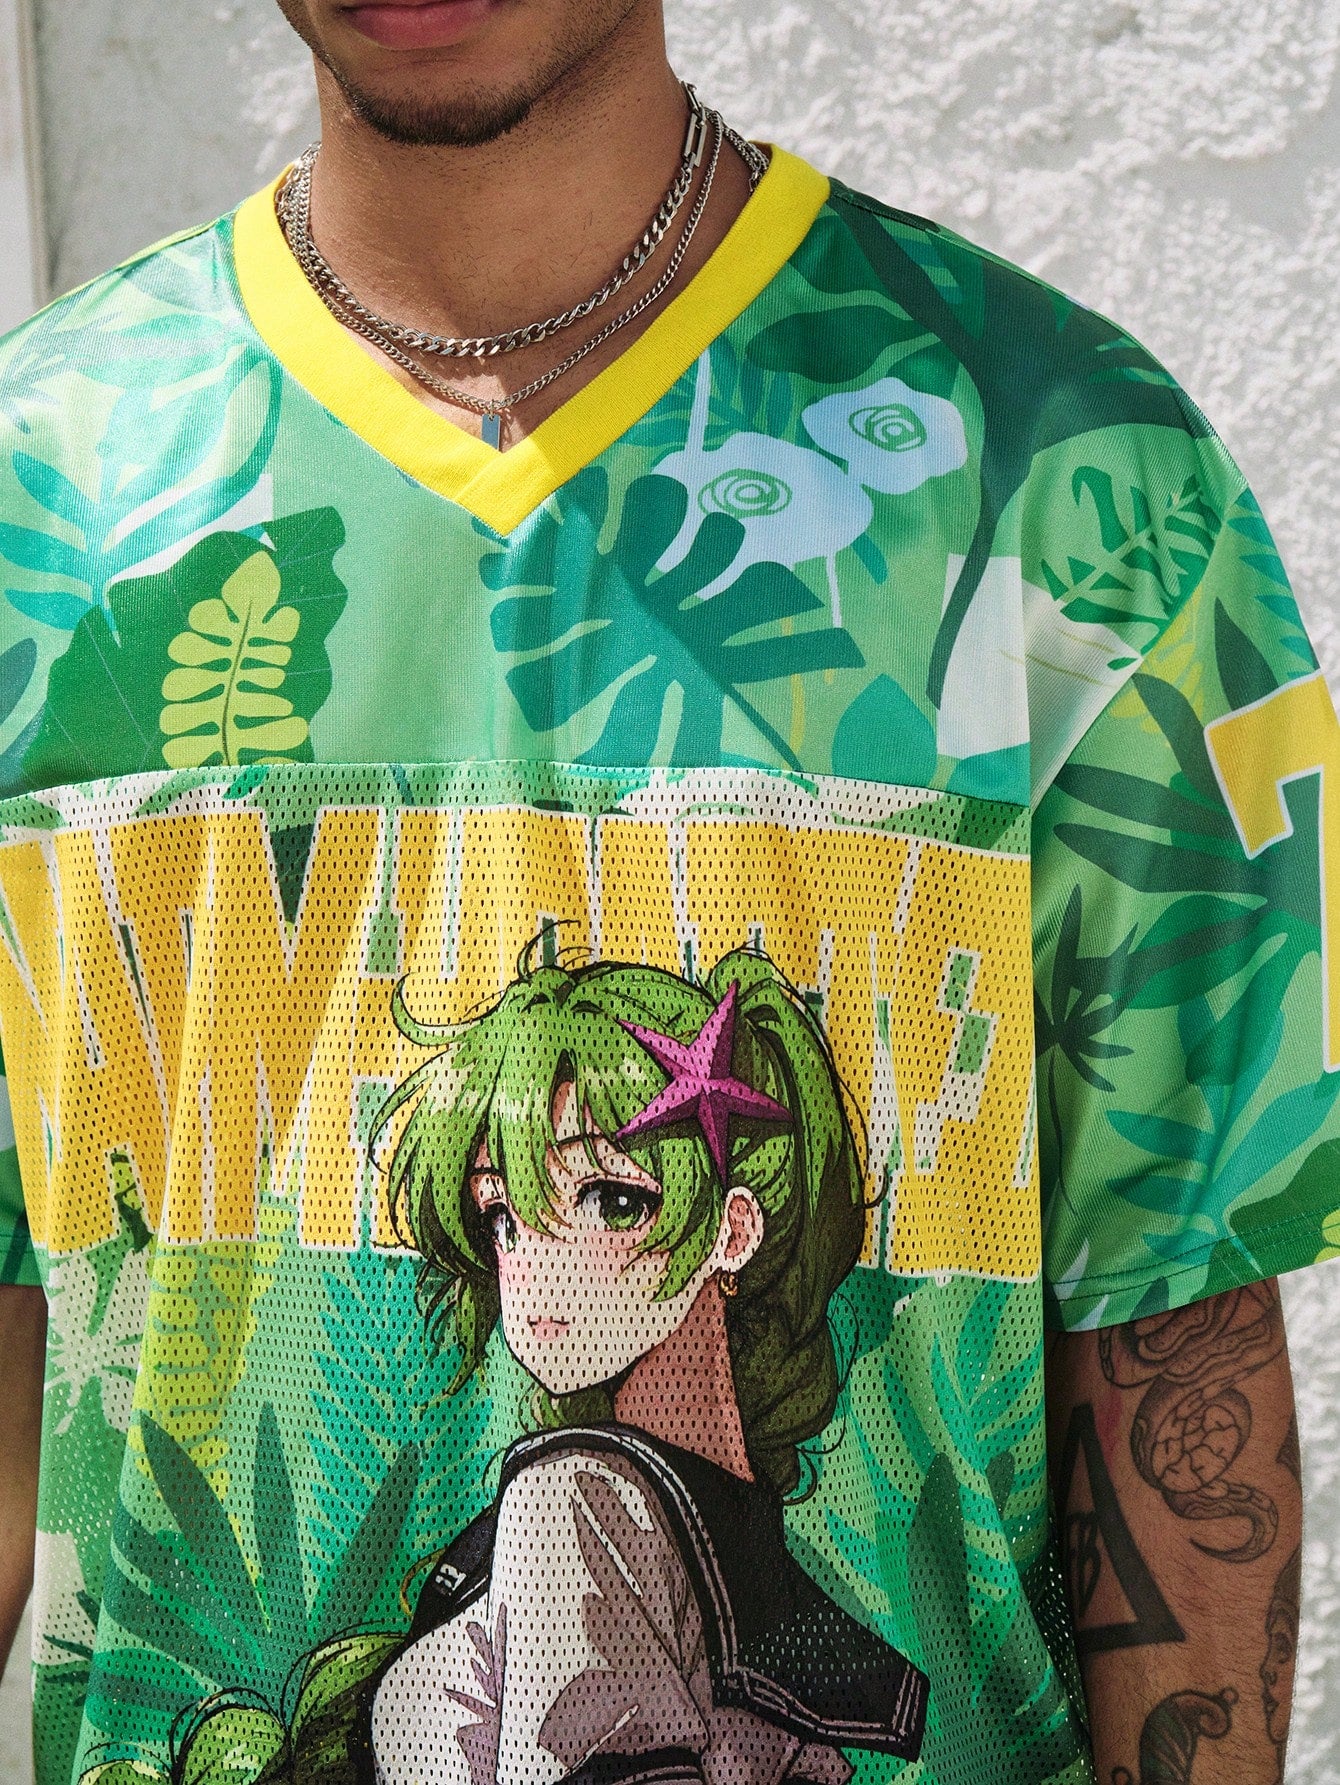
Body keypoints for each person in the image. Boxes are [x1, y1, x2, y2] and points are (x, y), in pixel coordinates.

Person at [0, 2, 1333, 1783]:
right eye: (505, 1203)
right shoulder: (41, 493)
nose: (540, 1257)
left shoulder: (1070, 482)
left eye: (612, 1192)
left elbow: (1172, 1341)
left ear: (734, 1222)